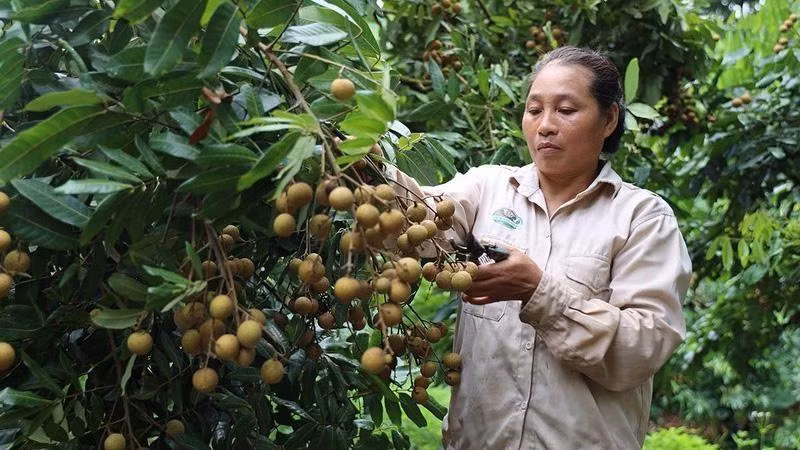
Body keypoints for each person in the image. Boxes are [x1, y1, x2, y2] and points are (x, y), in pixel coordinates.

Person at [384, 46, 692, 449]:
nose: (545, 125)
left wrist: (538, 291)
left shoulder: (643, 218)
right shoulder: (487, 188)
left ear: (609, 119)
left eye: (565, 110)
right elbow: (417, 225)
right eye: (534, 110)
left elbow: (640, 348)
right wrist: (365, 165)